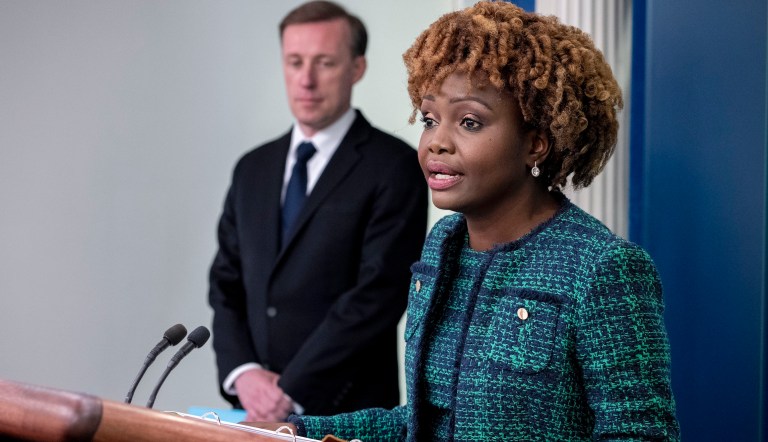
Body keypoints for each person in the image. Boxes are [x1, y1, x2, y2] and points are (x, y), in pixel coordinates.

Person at [278, 1, 680, 440]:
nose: (437, 143)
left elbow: (641, 435)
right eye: (430, 119)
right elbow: (422, 424)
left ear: (536, 144)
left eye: (469, 122)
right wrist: (285, 431)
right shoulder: (443, 245)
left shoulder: (603, 268)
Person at [208, 0, 428, 421]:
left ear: (357, 68)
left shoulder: (394, 166)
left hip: (347, 413)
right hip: (251, 412)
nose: (305, 80)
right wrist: (244, 374)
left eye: (324, 62)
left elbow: (378, 295)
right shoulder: (252, 168)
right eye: (294, 62)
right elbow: (226, 283)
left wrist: (289, 392)